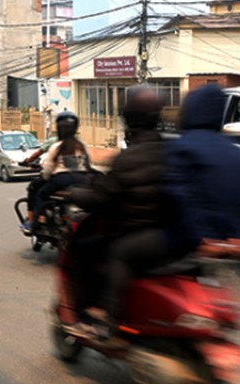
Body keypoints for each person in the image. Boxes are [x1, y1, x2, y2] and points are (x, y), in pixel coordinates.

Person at [68, 84, 171, 347]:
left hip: (134, 233)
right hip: (169, 234)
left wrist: (74, 195)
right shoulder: (172, 152)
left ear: (128, 120)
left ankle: (100, 319)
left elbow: (100, 197)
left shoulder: (127, 159)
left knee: (81, 248)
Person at [164, 83, 240, 268]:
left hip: (186, 243)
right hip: (228, 245)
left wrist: (204, 238)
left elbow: (181, 197)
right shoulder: (236, 152)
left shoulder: (181, 147)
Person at [30, 112, 91, 233]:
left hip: (61, 180)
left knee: (40, 194)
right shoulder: (82, 145)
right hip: (83, 179)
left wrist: (44, 177)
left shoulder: (56, 146)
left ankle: (36, 223)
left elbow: (48, 169)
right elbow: (88, 165)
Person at [19, 137, 57, 233]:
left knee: (34, 188)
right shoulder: (79, 143)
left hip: (58, 177)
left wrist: (28, 161)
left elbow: (39, 154)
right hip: (78, 179)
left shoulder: (55, 143)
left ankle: (32, 221)